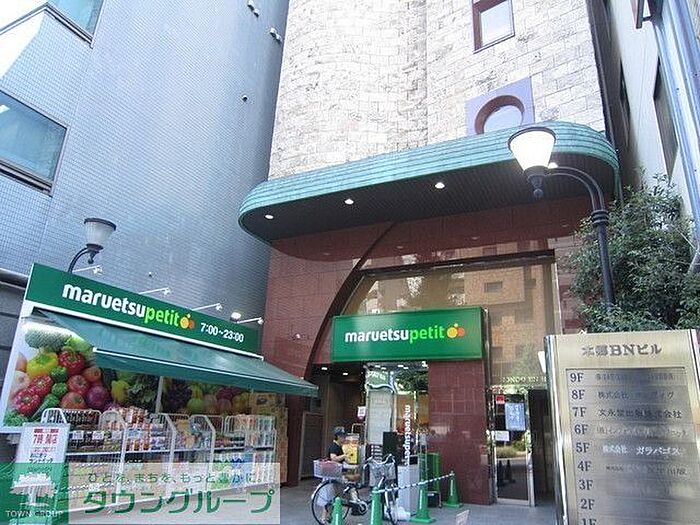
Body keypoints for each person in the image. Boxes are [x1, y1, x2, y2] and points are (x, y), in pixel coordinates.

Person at [318, 428, 348, 522]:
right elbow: (333, 458)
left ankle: (328, 516)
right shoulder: (334, 446)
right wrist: (344, 456)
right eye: (343, 436)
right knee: (330, 497)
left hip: (334, 474)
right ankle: (325, 517)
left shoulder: (338, 446)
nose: (345, 438)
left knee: (333, 496)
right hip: (331, 475)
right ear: (338, 436)